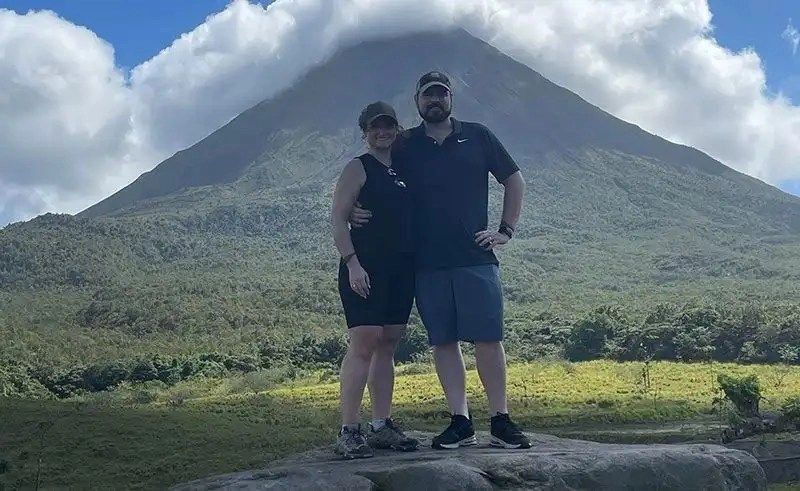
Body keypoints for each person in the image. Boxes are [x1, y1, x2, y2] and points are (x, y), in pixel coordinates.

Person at [351, 72, 530, 450]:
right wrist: (350, 208)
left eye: (441, 95)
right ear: (417, 101)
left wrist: (505, 230)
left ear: (451, 99)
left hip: (475, 256)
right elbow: (372, 170)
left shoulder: (478, 136)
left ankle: (501, 420)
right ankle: (460, 420)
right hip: (425, 261)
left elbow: (514, 179)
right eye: (428, 96)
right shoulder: (405, 144)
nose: (435, 101)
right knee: (443, 341)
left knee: (487, 338)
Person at [330, 101, 419, 459]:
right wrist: (352, 263)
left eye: (388, 125)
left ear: (396, 129)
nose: (382, 132)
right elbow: (338, 219)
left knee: (389, 342)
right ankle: (349, 429)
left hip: (401, 268)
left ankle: (382, 425)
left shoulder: (405, 167)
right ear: (364, 132)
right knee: (364, 341)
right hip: (365, 267)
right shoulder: (358, 167)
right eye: (374, 126)